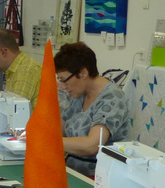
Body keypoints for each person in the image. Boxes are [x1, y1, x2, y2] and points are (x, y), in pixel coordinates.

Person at [54, 41, 129, 177]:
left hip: (99, 175)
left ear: (83, 73)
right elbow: (59, 130)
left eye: (64, 80)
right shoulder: (78, 94)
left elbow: (92, 145)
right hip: (72, 170)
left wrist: (47, 140)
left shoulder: (112, 98)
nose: (63, 86)